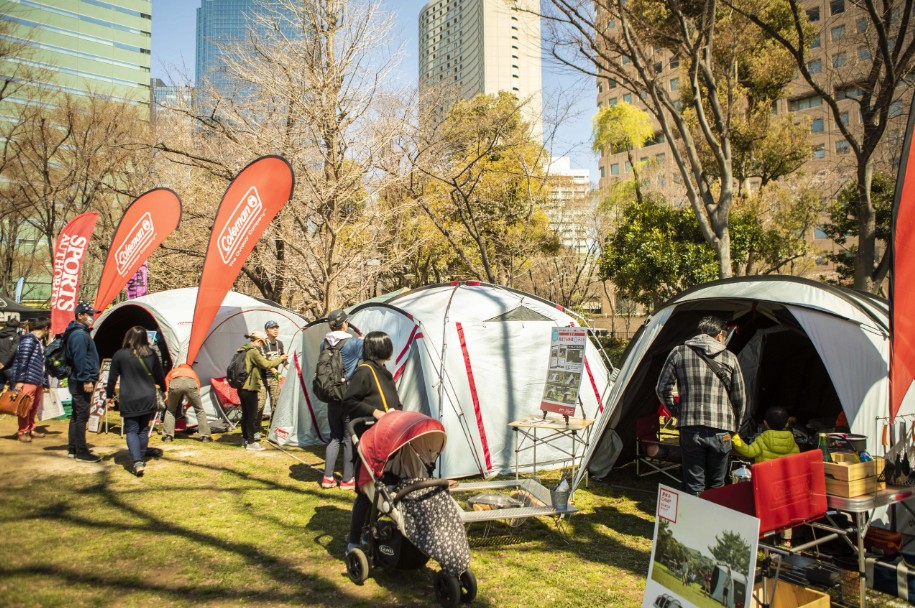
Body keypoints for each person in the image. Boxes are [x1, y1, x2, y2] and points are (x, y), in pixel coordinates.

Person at [656, 315, 746, 495]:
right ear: (720, 334)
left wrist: (677, 411)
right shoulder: (729, 357)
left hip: (691, 427)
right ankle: (714, 521)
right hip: (722, 429)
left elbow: (661, 388)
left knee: (694, 483)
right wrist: (736, 426)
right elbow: (739, 397)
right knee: (717, 483)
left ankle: (694, 521)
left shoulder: (679, 352)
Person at [341, 331, 402, 554]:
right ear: (380, 348)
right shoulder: (364, 372)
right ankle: (355, 540)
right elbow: (349, 401)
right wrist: (375, 412)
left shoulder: (384, 372)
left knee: (384, 487)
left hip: (387, 437)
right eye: (387, 345)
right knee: (366, 491)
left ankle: (373, 531)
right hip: (370, 439)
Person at [105, 326, 166, 477]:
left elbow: (112, 377)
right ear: (145, 338)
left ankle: (137, 461)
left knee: (131, 429)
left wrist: (108, 395)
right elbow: (159, 375)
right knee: (143, 429)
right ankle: (140, 456)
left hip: (129, 397)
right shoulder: (151, 353)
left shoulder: (120, 355)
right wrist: (164, 389)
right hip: (147, 396)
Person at [320, 309, 364, 489]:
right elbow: (366, 355)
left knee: (334, 437)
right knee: (348, 437)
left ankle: (327, 477)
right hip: (347, 394)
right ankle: (347, 479)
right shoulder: (353, 343)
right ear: (345, 323)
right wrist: (363, 341)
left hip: (331, 394)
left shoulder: (324, 343)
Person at [236, 330, 287, 451]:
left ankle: (246, 439)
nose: (262, 346)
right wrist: (281, 359)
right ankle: (251, 443)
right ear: (258, 341)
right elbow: (266, 364)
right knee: (252, 415)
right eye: (262, 343)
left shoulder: (242, 349)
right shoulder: (253, 351)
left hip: (241, 387)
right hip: (250, 387)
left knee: (246, 415)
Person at [65, 302, 102, 462]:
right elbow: (80, 359)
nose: (91, 317)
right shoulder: (79, 335)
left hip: (77, 378)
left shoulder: (77, 332)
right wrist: (86, 379)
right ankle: (81, 451)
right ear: (80, 315)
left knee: (76, 414)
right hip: (80, 380)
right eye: (89, 314)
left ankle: (73, 447)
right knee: (82, 415)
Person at [9, 317, 50, 442]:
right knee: (25, 406)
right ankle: (22, 431)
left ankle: (31, 427)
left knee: (33, 406)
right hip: (28, 379)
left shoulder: (38, 341)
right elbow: (22, 361)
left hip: (37, 378)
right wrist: (20, 381)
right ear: (45, 328)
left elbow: (42, 363)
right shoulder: (28, 340)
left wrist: (44, 381)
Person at [162, 363, 212, 443]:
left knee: (170, 411)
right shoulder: (192, 372)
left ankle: (167, 436)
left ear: (179, 367)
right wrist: (189, 405)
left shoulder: (173, 370)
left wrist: (168, 401)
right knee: (199, 410)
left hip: (175, 382)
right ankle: (205, 436)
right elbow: (197, 388)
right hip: (191, 382)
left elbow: (166, 386)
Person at [732, 406, 799, 463]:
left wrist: (735, 438)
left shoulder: (762, 440)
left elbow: (748, 451)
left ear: (765, 423)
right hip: (785, 478)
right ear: (787, 424)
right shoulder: (793, 443)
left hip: (765, 477)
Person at [256, 319, 285, 437]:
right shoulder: (263, 344)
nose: (275, 330)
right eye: (273, 328)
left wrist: (296, 371)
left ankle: (274, 428)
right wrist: (277, 373)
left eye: (277, 327)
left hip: (274, 379)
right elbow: (266, 362)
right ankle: (256, 430)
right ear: (266, 331)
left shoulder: (280, 344)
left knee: (276, 403)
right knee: (260, 404)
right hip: (262, 378)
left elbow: (284, 360)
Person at [0, 317, 21, 388]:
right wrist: (4, 363)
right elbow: (13, 351)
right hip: (10, 365)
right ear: (16, 327)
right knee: (13, 389)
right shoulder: (16, 337)